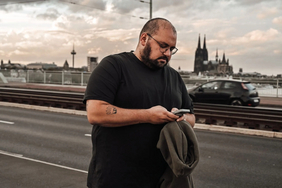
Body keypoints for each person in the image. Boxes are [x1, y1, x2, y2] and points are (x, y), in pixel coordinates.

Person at [83, 17, 195, 188]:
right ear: (144, 39)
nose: (168, 53)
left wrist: (181, 119)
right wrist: (147, 116)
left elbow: (192, 117)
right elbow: (95, 112)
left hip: (162, 180)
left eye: (172, 49)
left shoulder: (174, 77)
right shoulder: (114, 66)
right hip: (115, 179)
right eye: (163, 46)